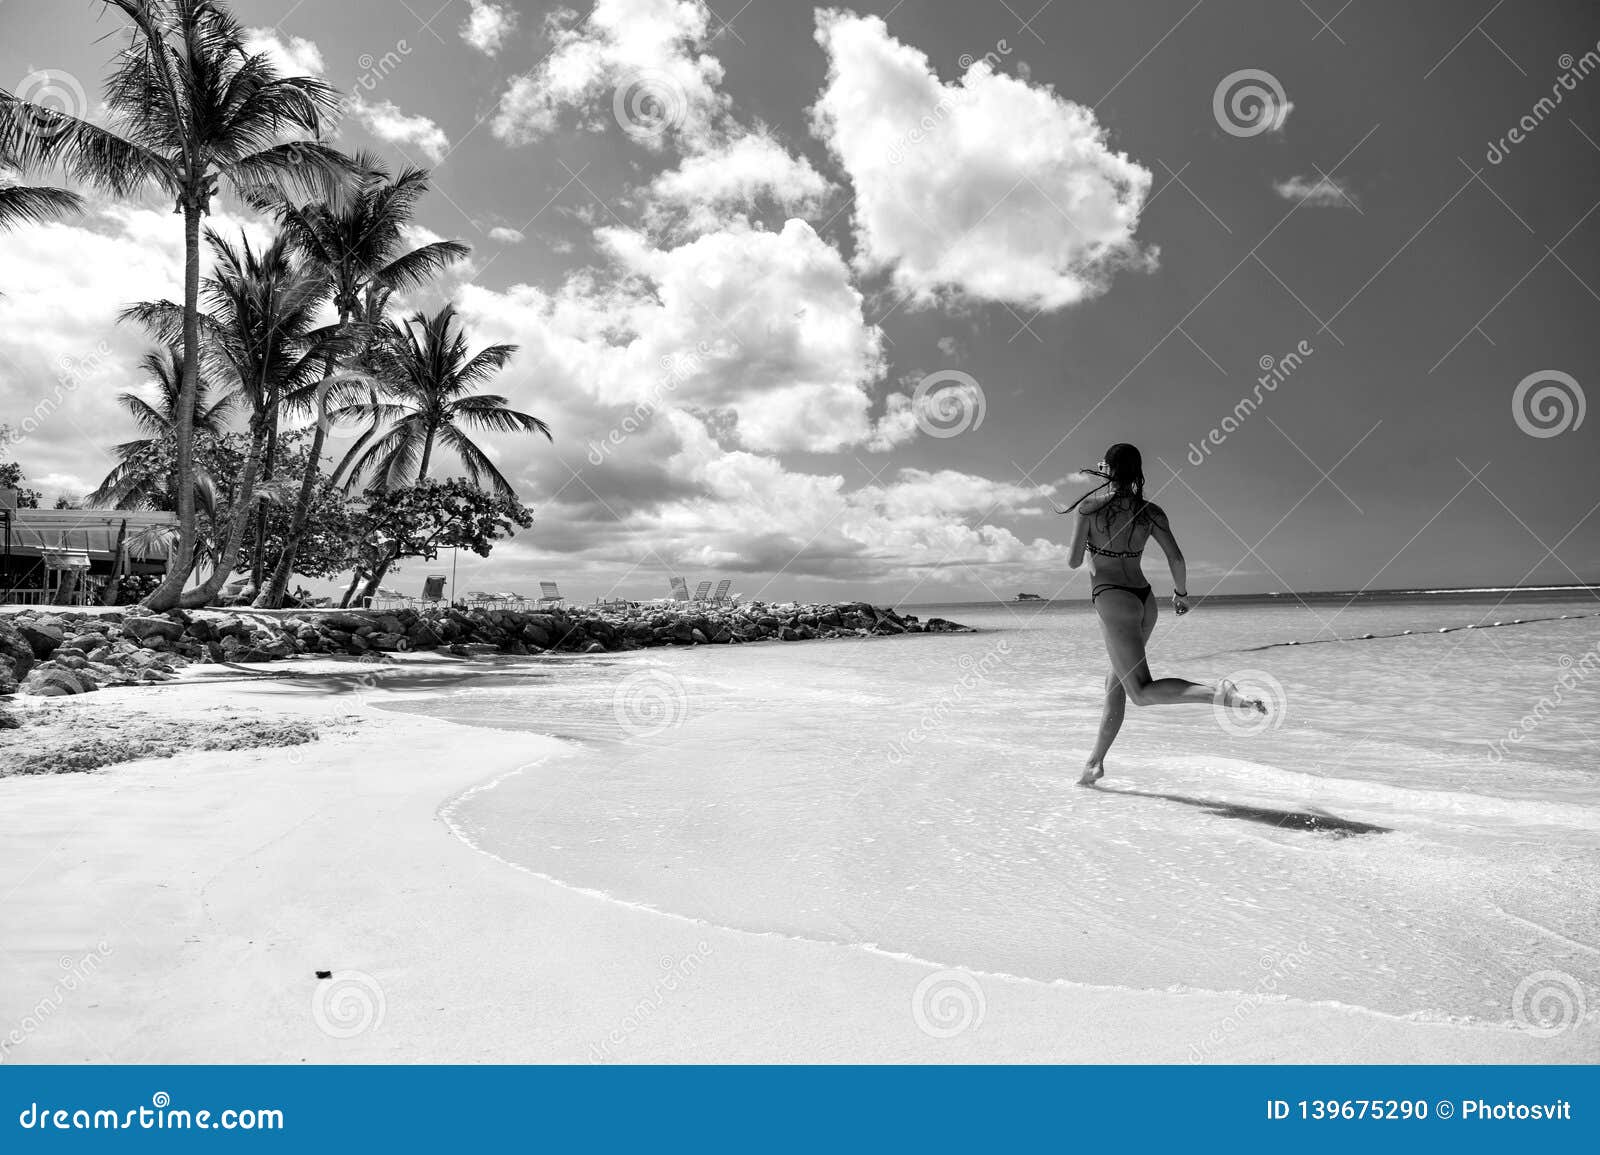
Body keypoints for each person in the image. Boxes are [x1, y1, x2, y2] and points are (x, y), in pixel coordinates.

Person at [1066, 443, 1266, 786]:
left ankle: (1220, 693)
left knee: (1140, 692)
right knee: (1114, 682)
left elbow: (1072, 561)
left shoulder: (1088, 508)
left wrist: (1094, 549)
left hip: (1113, 601)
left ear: (1108, 469)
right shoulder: (1151, 512)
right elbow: (1176, 559)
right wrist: (1181, 594)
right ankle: (1094, 763)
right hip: (1144, 602)